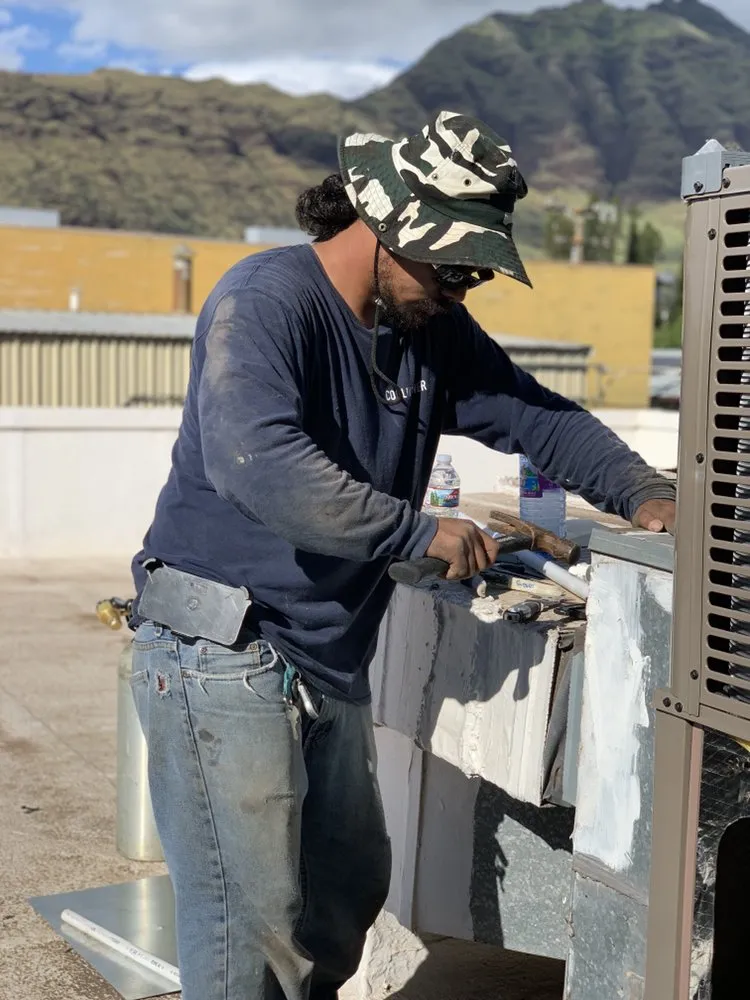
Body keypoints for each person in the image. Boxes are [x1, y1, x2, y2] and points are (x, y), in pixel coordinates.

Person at [128, 110, 676, 1000]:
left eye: (477, 275)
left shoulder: (427, 330)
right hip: (218, 654)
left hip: (324, 654)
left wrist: (645, 493)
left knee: (341, 897)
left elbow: (533, 413)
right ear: (387, 228)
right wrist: (416, 531)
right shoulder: (266, 302)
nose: (463, 291)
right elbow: (256, 464)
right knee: (249, 929)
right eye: (452, 267)